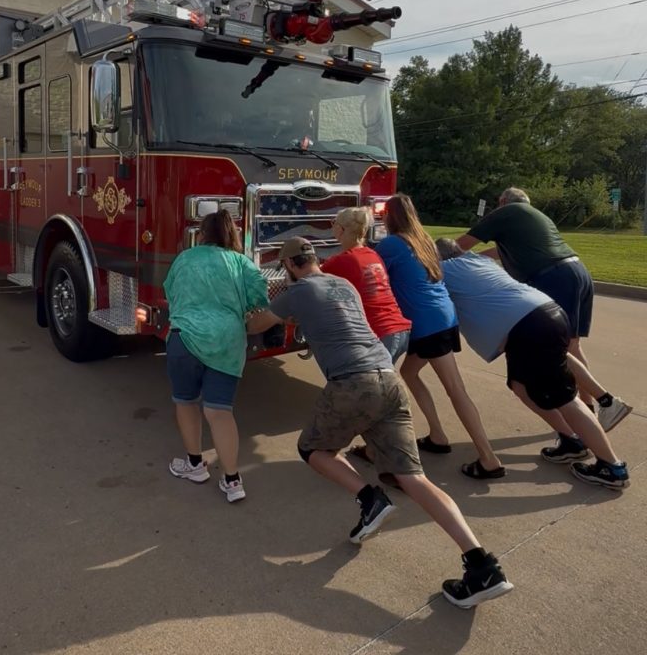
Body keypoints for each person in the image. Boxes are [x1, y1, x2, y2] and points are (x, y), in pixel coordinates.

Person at [246, 237, 514, 609]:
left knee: (313, 449)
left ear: (290, 265)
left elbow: (258, 324)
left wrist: (246, 312)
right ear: (315, 258)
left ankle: (370, 499)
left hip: (352, 382)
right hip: (388, 378)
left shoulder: (299, 291)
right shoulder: (343, 285)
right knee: (414, 478)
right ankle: (482, 564)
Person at [436, 239, 630, 490]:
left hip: (528, 327)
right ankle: (572, 440)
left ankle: (612, 467)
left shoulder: (445, 270)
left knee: (564, 399)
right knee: (521, 387)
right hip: (544, 313)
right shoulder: (477, 261)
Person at [455, 187, 632, 433]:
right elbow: (500, 252)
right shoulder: (534, 217)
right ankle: (591, 409)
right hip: (577, 272)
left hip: (552, 278)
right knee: (571, 345)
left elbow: (460, 245)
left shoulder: (505, 212)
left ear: (503, 201)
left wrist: (435, 258)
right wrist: (478, 259)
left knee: (555, 348)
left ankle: (604, 402)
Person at [374, 194, 504, 480]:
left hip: (427, 322)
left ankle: (489, 459)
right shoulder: (424, 241)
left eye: (384, 214)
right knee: (409, 373)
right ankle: (437, 436)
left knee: (455, 389)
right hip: (443, 316)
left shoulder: (392, 244)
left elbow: (372, 270)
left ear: (390, 217)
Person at [163, 209, 268, 503]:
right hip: (228, 343)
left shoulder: (184, 258)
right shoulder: (241, 262)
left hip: (185, 338)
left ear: (202, 234)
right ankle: (233, 481)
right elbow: (260, 295)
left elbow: (170, 291)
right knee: (220, 412)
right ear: (231, 234)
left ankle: (195, 465)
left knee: (186, 402)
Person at [321, 206, 411, 365]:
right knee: (383, 378)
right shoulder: (372, 254)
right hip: (399, 329)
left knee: (365, 378)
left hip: (381, 333)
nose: (332, 227)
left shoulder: (343, 260)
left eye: (333, 223)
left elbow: (311, 278)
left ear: (340, 230)